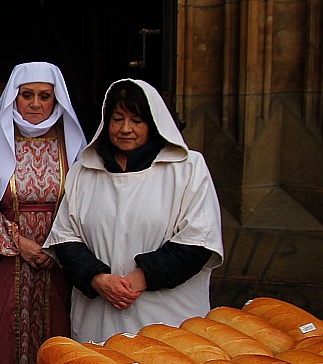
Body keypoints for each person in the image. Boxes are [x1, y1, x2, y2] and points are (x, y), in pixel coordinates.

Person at [44, 78, 224, 343]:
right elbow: (65, 237)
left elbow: (198, 240)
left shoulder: (187, 169)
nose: (125, 129)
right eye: (117, 119)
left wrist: (142, 277)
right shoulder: (85, 171)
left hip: (166, 316)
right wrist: (97, 278)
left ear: (153, 123)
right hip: (100, 315)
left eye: (137, 121)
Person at [0, 62, 87, 364]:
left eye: (44, 96)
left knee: (57, 346)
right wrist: (18, 242)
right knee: (0, 340)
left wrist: (56, 245)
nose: (35, 103)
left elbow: (84, 203)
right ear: (15, 97)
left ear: (56, 99)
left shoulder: (72, 144)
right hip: (3, 261)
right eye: (27, 95)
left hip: (56, 261)